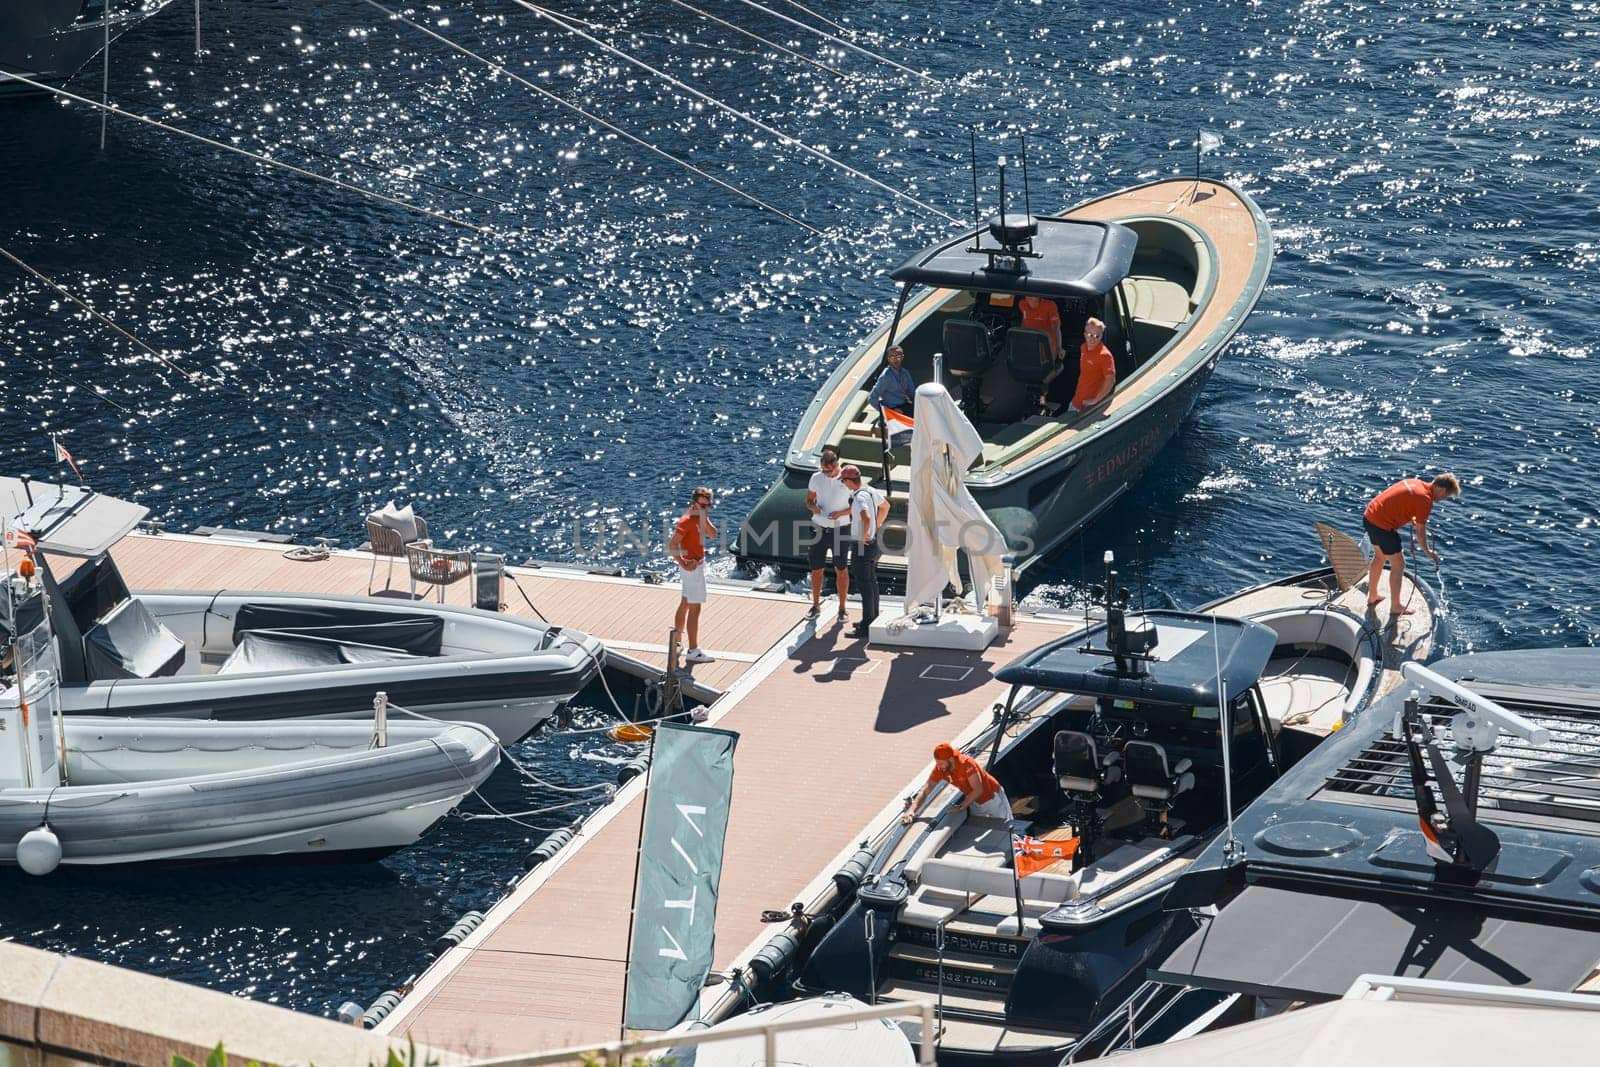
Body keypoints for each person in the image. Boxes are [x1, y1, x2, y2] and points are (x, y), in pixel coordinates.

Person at [1363, 473, 1460, 615]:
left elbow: (1400, 503)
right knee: (1399, 565)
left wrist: (1410, 518)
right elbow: (1420, 532)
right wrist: (1428, 552)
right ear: (1442, 490)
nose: (1442, 500)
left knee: (1379, 557)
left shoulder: (1415, 483)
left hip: (1370, 516)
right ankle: (1395, 606)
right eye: (1446, 496)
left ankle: (1372, 596)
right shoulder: (1425, 500)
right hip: (1382, 526)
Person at [901, 742, 1012, 825]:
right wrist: (912, 810)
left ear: (950, 759)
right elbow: (926, 790)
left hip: (991, 798)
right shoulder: (940, 769)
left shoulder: (967, 764)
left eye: (941, 763)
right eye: (937, 763)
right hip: (974, 800)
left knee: (1005, 826)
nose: (939, 766)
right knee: (978, 825)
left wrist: (960, 807)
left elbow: (978, 790)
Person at [668, 487, 717, 664]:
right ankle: (693, 650)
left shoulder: (699, 516)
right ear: (694, 502)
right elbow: (672, 545)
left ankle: (677, 643)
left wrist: (704, 517)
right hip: (692, 568)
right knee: (695, 609)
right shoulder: (687, 521)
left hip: (697, 565)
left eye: (709, 506)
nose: (706, 509)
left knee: (685, 603)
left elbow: (713, 535)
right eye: (703, 506)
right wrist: (683, 563)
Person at [840, 465, 889, 639]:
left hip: (863, 545)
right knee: (871, 581)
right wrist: (878, 526)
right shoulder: (870, 490)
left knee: (864, 584)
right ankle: (872, 618)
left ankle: (867, 625)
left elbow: (866, 517)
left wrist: (862, 536)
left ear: (848, 481)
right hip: (873, 543)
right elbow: (886, 506)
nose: (843, 485)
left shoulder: (859, 497)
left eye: (843, 481)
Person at [805, 447, 852, 622]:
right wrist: (813, 507)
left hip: (840, 529)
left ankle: (842, 608)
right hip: (818, 527)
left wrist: (841, 513)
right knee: (816, 569)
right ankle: (815, 605)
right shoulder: (816, 478)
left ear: (836, 465)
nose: (825, 473)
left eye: (828, 470)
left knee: (841, 568)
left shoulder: (847, 479)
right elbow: (809, 500)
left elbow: (857, 505)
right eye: (823, 469)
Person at [1070, 317, 1117, 413]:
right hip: (1076, 402)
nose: (1093, 339)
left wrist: (1096, 400)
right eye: (1090, 335)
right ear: (1085, 335)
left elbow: (1111, 380)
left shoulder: (1105, 355)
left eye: (1097, 336)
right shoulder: (1083, 348)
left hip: (1089, 408)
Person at [867, 345, 916, 418]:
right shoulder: (886, 377)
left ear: (902, 357)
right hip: (893, 410)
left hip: (905, 405)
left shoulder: (905, 373)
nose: (895, 359)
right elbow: (872, 398)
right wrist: (889, 411)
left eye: (898, 356)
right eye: (892, 357)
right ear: (888, 359)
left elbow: (912, 392)